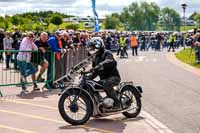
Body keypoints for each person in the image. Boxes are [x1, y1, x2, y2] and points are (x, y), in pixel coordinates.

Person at [87, 37, 121, 109]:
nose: (92, 49)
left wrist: (100, 65)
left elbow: (109, 60)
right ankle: (100, 102)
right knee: (91, 85)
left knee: (106, 84)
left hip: (114, 77)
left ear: (98, 45)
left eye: (93, 47)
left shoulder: (107, 53)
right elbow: (95, 71)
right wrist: (89, 77)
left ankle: (117, 103)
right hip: (104, 79)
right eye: (91, 47)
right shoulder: (95, 58)